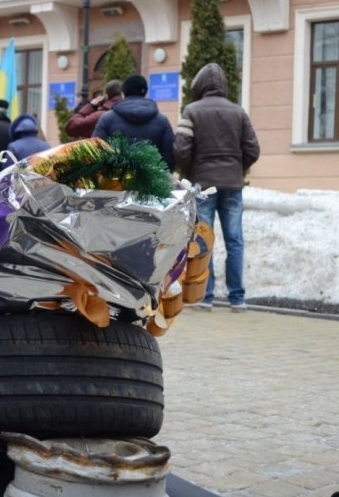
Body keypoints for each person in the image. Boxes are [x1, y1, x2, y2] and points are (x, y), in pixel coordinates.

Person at [173, 61, 260, 311]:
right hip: (233, 184)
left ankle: (206, 296)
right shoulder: (239, 112)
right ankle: (237, 298)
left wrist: (190, 171)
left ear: (199, 85)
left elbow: (181, 148)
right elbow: (253, 149)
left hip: (203, 186)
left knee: (203, 240)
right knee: (235, 241)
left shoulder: (191, 111)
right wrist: (236, 167)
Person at [93, 74, 175, 169]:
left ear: (123, 92)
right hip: (151, 181)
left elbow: (95, 151)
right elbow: (169, 157)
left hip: (115, 181)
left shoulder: (107, 118)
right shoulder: (162, 121)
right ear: (146, 91)